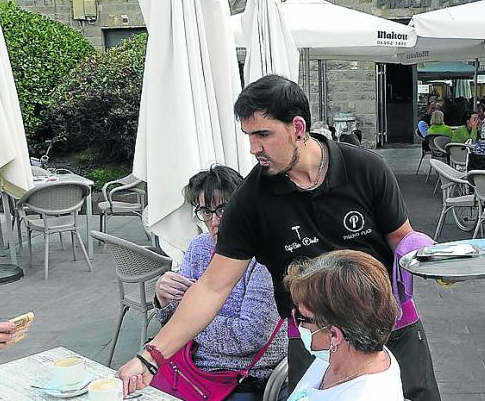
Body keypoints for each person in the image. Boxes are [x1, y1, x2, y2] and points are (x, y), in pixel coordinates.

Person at [117, 75, 440, 401]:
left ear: (298, 129)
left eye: (263, 134)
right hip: (313, 340)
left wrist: (420, 250)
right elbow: (213, 286)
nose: (253, 148)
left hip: (386, 329)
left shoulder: (366, 168)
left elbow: (401, 236)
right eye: (248, 136)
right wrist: (151, 357)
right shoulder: (251, 200)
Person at [153, 166, 286, 399]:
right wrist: (163, 299)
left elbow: (249, 337)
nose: (214, 221)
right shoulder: (199, 247)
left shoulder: (265, 258)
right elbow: (171, 322)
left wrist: (189, 323)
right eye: (206, 211)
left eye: (223, 209)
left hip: (246, 376)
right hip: (191, 365)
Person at [285, 250, 404, 400]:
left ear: (334, 334)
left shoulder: (365, 395)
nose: (296, 323)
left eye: (301, 318)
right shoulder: (343, 354)